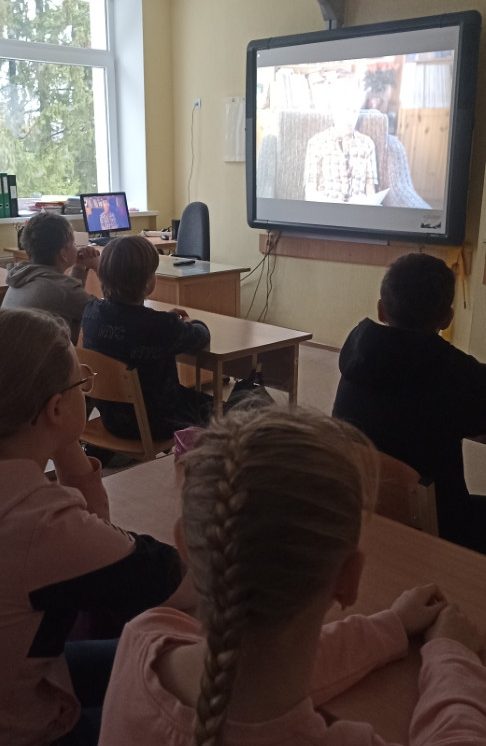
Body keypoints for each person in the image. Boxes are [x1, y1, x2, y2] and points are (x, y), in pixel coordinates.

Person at [98, 406, 486, 746]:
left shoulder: (144, 637)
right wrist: (452, 653)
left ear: (185, 546)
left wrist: (393, 626)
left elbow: (258, 670)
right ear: (349, 578)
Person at [0, 307, 185, 746]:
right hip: (24, 726)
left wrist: (63, 441)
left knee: (140, 651)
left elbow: (93, 545)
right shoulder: (41, 523)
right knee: (173, 674)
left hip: (25, 673)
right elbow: (169, 580)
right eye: (81, 383)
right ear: (56, 407)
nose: (87, 389)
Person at [332, 252, 486, 550]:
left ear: (381, 310)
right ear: (448, 318)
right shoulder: (458, 374)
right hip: (437, 526)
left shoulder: (358, 354)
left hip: (355, 513)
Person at [81, 235, 212, 440]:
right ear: (148, 282)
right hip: (158, 422)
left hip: (112, 420)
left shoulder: (91, 312)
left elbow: (132, 326)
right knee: (227, 408)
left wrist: (166, 320)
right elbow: (200, 336)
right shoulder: (161, 326)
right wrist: (188, 322)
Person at [2, 212, 99, 343]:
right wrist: (99, 267)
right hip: (42, 356)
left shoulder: (22, 276)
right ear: (63, 254)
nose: (77, 248)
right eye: (74, 244)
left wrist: (79, 267)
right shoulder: (63, 290)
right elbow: (105, 314)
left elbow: (67, 295)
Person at [304, 76, 378, 204]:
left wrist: (370, 205)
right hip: (326, 208)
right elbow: (310, 192)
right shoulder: (316, 143)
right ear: (334, 111)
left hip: (358, 210)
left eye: (354, 111)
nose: (350, 117)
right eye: (346, 110)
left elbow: (370, 188)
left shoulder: (367, 144)